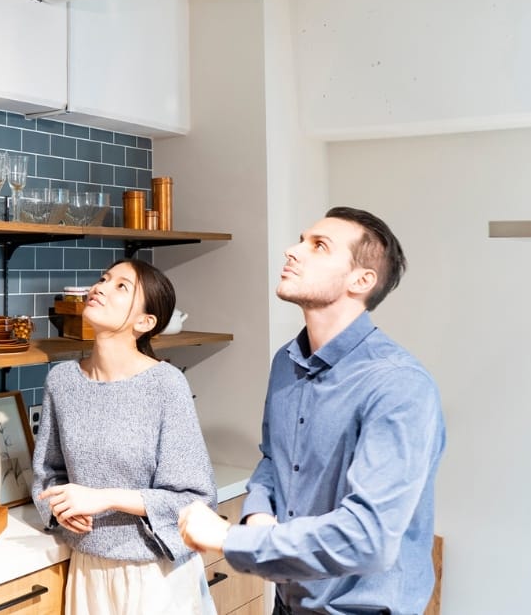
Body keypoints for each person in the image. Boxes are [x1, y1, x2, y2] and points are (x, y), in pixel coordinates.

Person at [178, 207, 445, 615]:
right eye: (302, 240)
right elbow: (274, 459)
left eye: (318, 246)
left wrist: (230, 539)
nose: (292, 251)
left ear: (362, 280)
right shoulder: (286, 362)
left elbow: (366, 539)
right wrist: (259, 514)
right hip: (290, 604)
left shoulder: (399, 384)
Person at [32, 259, 218, 615]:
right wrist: (60, 510)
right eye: (103, 279)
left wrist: (105, 499)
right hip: (89, 571)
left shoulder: (166, 385)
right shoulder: (62, 381)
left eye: (121, 286)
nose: (100, 287)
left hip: (157, 575)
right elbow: (48, 474)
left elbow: (196, 500)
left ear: (144, 323)